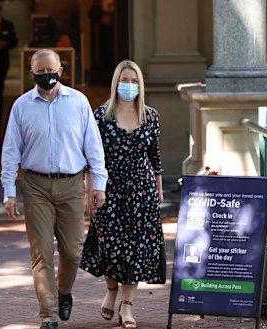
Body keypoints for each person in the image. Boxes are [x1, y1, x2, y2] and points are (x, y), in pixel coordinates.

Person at [1, 48, 108, 329]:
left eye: (51, 70)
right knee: (41, 253)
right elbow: (11, 152)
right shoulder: (22, 106)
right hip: (35, 184)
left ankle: (63, 292)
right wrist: (9, 191)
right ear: (32, 72)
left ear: (60, 71)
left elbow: (94, 147)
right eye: (40, 71)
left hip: (72, 184)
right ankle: (47, 315)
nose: (46, 75)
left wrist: (98, 185)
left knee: (73, 251)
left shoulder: (79, 102)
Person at [80, 60, 166, 329]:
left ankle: (127, 306)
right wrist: (90, 191)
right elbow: (91, 158)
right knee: (110, 245)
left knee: (137, 248)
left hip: (142, 190)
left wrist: (159, 191)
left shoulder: (150, 117)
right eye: (124, 80)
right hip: (109, 190)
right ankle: (111, 289)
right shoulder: (101, 115)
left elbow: (156, 158)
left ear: (140, 84)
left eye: (133, 81)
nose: (128, 86)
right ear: (115, 82)